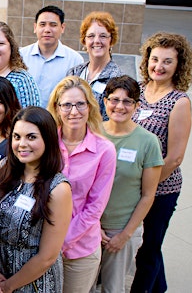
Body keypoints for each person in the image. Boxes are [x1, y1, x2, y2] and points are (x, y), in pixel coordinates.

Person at [130, 32, 192, 293]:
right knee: (149, 246)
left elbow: (175, 157)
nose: (159, 66)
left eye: (167, 61)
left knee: (149, 247)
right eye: (154, 59)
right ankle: (160, 288)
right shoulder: (136, 91)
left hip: (162, 189)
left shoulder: (179, 102)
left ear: (178, 66)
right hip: (133, 185)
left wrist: (145, 187)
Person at [0, 106, 72, 293]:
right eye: (17, 137)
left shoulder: (58, 189)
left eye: (31, 137)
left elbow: (47, 257)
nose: (22, 144)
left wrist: (8, 286)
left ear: (47, 140)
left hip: (32, 283)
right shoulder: (3, 168)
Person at [46, 75, 116, 292]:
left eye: (80, 104)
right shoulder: (45, 143)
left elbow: (95, 208)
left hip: (80, 251)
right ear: (57, 109)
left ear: (90, 107)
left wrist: (60, 242)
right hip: (41, 244)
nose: (73, 111)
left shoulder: (104, 150)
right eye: (66, 104)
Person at [98, 76, 164, 293]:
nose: (119, 106)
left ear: (137, 106)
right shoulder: (93, 133)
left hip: (120, 227)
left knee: (112, 288)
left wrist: (125, 235)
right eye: (114, 99)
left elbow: (148, 195)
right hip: (90, 225)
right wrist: (92, 224)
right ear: (105, 101)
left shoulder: (147, 142)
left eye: (127, 101)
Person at [19, 5, 84, 107]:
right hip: (25, 119)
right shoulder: (21, 56)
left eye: (53, 25)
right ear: (35, 27)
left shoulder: (75, 60)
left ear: (62, 28)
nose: (47, 30)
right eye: (42, 24)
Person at [67, 11, 123, 121]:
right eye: (91, 36)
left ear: (111, 41)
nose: (97, 41)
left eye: (103, 36)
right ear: (84, 41)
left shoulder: (117, 78)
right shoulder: (73, 73)